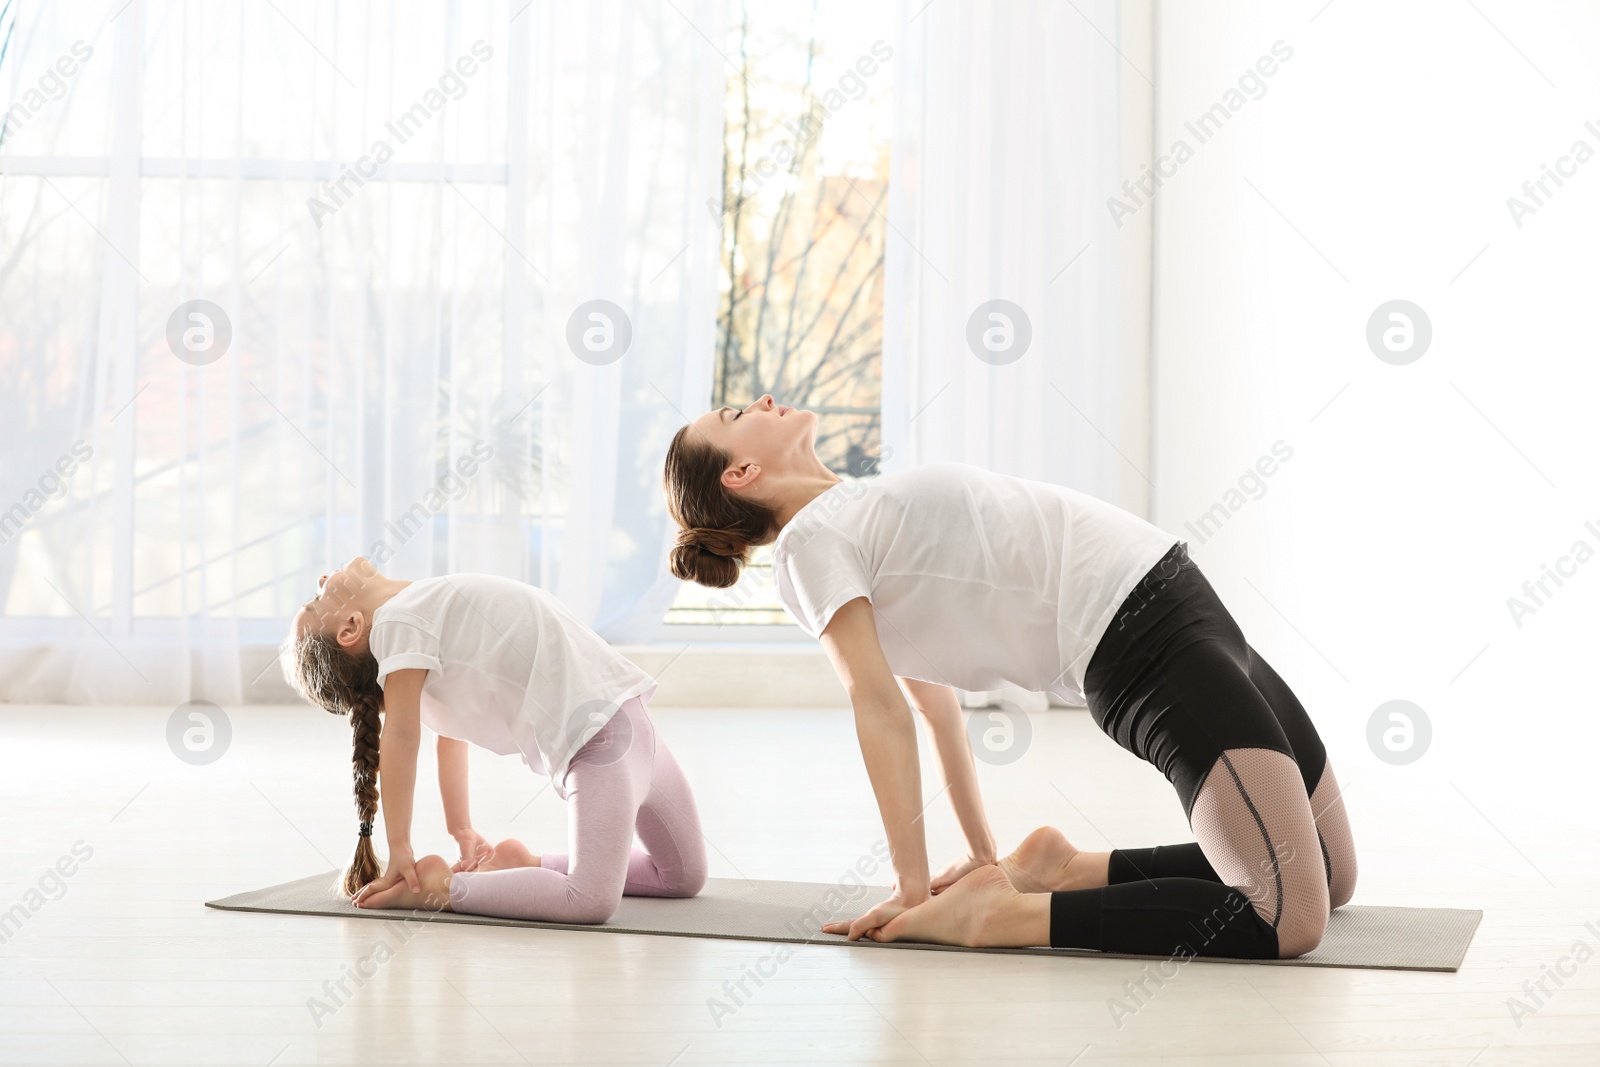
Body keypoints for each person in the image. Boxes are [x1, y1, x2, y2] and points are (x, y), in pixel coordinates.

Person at [661, 395, 1356, 959]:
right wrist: (911, 889)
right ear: (741, 472)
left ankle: (1055, 867)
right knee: (1287, 915)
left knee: (1330, 869)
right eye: (734, 415)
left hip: (1184, 602)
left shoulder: (858, 508)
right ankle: (1005, 917)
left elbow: (935, 710)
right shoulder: (809, 544)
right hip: (1139, 645)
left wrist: (983, 852)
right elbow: (878, 706)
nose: (762, 400)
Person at [283, 558, 707, 922]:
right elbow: (402, 736)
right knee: (590, 900)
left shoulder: (421, 614)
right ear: (351, 627)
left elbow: (448, 739)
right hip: (598, 744)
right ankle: (439, 889)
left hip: (632, 722)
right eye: (317, 601)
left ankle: (524, 865)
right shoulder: (397, 621)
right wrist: (400, 852)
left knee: (684, 877)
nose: (322, 580)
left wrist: (461, 828)